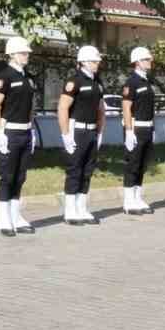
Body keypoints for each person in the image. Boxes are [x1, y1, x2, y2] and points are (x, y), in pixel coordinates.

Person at [0, 36, 40, 236]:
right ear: (11, 54)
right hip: (9, 131)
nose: (26, 55)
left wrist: (33, 129)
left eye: (27, 53)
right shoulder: (5, 76)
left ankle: (15, 216)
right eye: (22, 53)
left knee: (20, 176)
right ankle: (4, 220)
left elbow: (30, 106)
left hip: (26, 130)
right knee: (8, 176)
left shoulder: (28, 77)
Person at [59, 45, 106, 225]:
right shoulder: (74, 81)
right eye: (94, 61)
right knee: (74, 170)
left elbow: (101, 109)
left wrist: (100, 132)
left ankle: (82, 207)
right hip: (76, 130)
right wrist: (66, 135)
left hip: (92, 130)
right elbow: (63, 108)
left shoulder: (97, 82)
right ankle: (70, 210)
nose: (97, 64)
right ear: (84, 62)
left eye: (97, 62)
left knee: (87, 170)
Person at [120, 46, 158, 215]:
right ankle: (129, 200)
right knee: (133, 164)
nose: (149, 62)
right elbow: (126, 108)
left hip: (147, 127)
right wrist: (129, 130)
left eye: (149, 59)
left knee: (142, 164)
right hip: (136, 127)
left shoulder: (147, 81)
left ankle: (138, 197)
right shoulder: (132, 82)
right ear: (136, 62)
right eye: (145, 59)